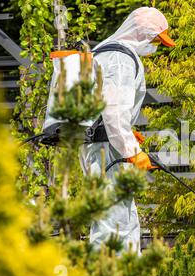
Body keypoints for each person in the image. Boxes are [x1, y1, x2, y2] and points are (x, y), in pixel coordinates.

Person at [79, 7, 176, 254]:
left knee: (122, 217)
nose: (156, 46)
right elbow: (113, 109)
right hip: (106, 151)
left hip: (103, 146)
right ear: (143, 33)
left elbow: (102, 106)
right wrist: (132, 150)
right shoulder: (119, 58)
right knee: (112, 222)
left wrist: (127, 137)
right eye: (156, 39)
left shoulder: (104, 51)